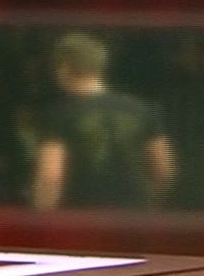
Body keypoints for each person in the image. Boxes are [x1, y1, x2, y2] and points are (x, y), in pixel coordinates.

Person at [31, 33, 176, 210]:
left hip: (81, 216)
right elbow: (163, 170)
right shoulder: (143, 109)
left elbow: (50, 178)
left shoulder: (58, 115)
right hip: (135, 215)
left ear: (64, 67)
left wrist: (42, 217)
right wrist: (149, 203)